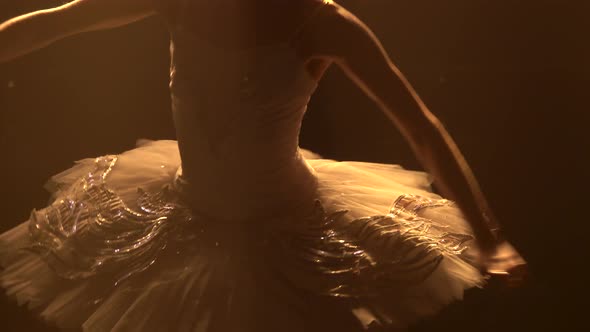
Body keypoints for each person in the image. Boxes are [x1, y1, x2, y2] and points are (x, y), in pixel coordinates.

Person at [0, 0, 527, 331]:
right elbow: (57, 22)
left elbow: (422, 128)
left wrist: (489, 237)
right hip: (190, 212)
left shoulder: (324, 23)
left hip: (284, 228)